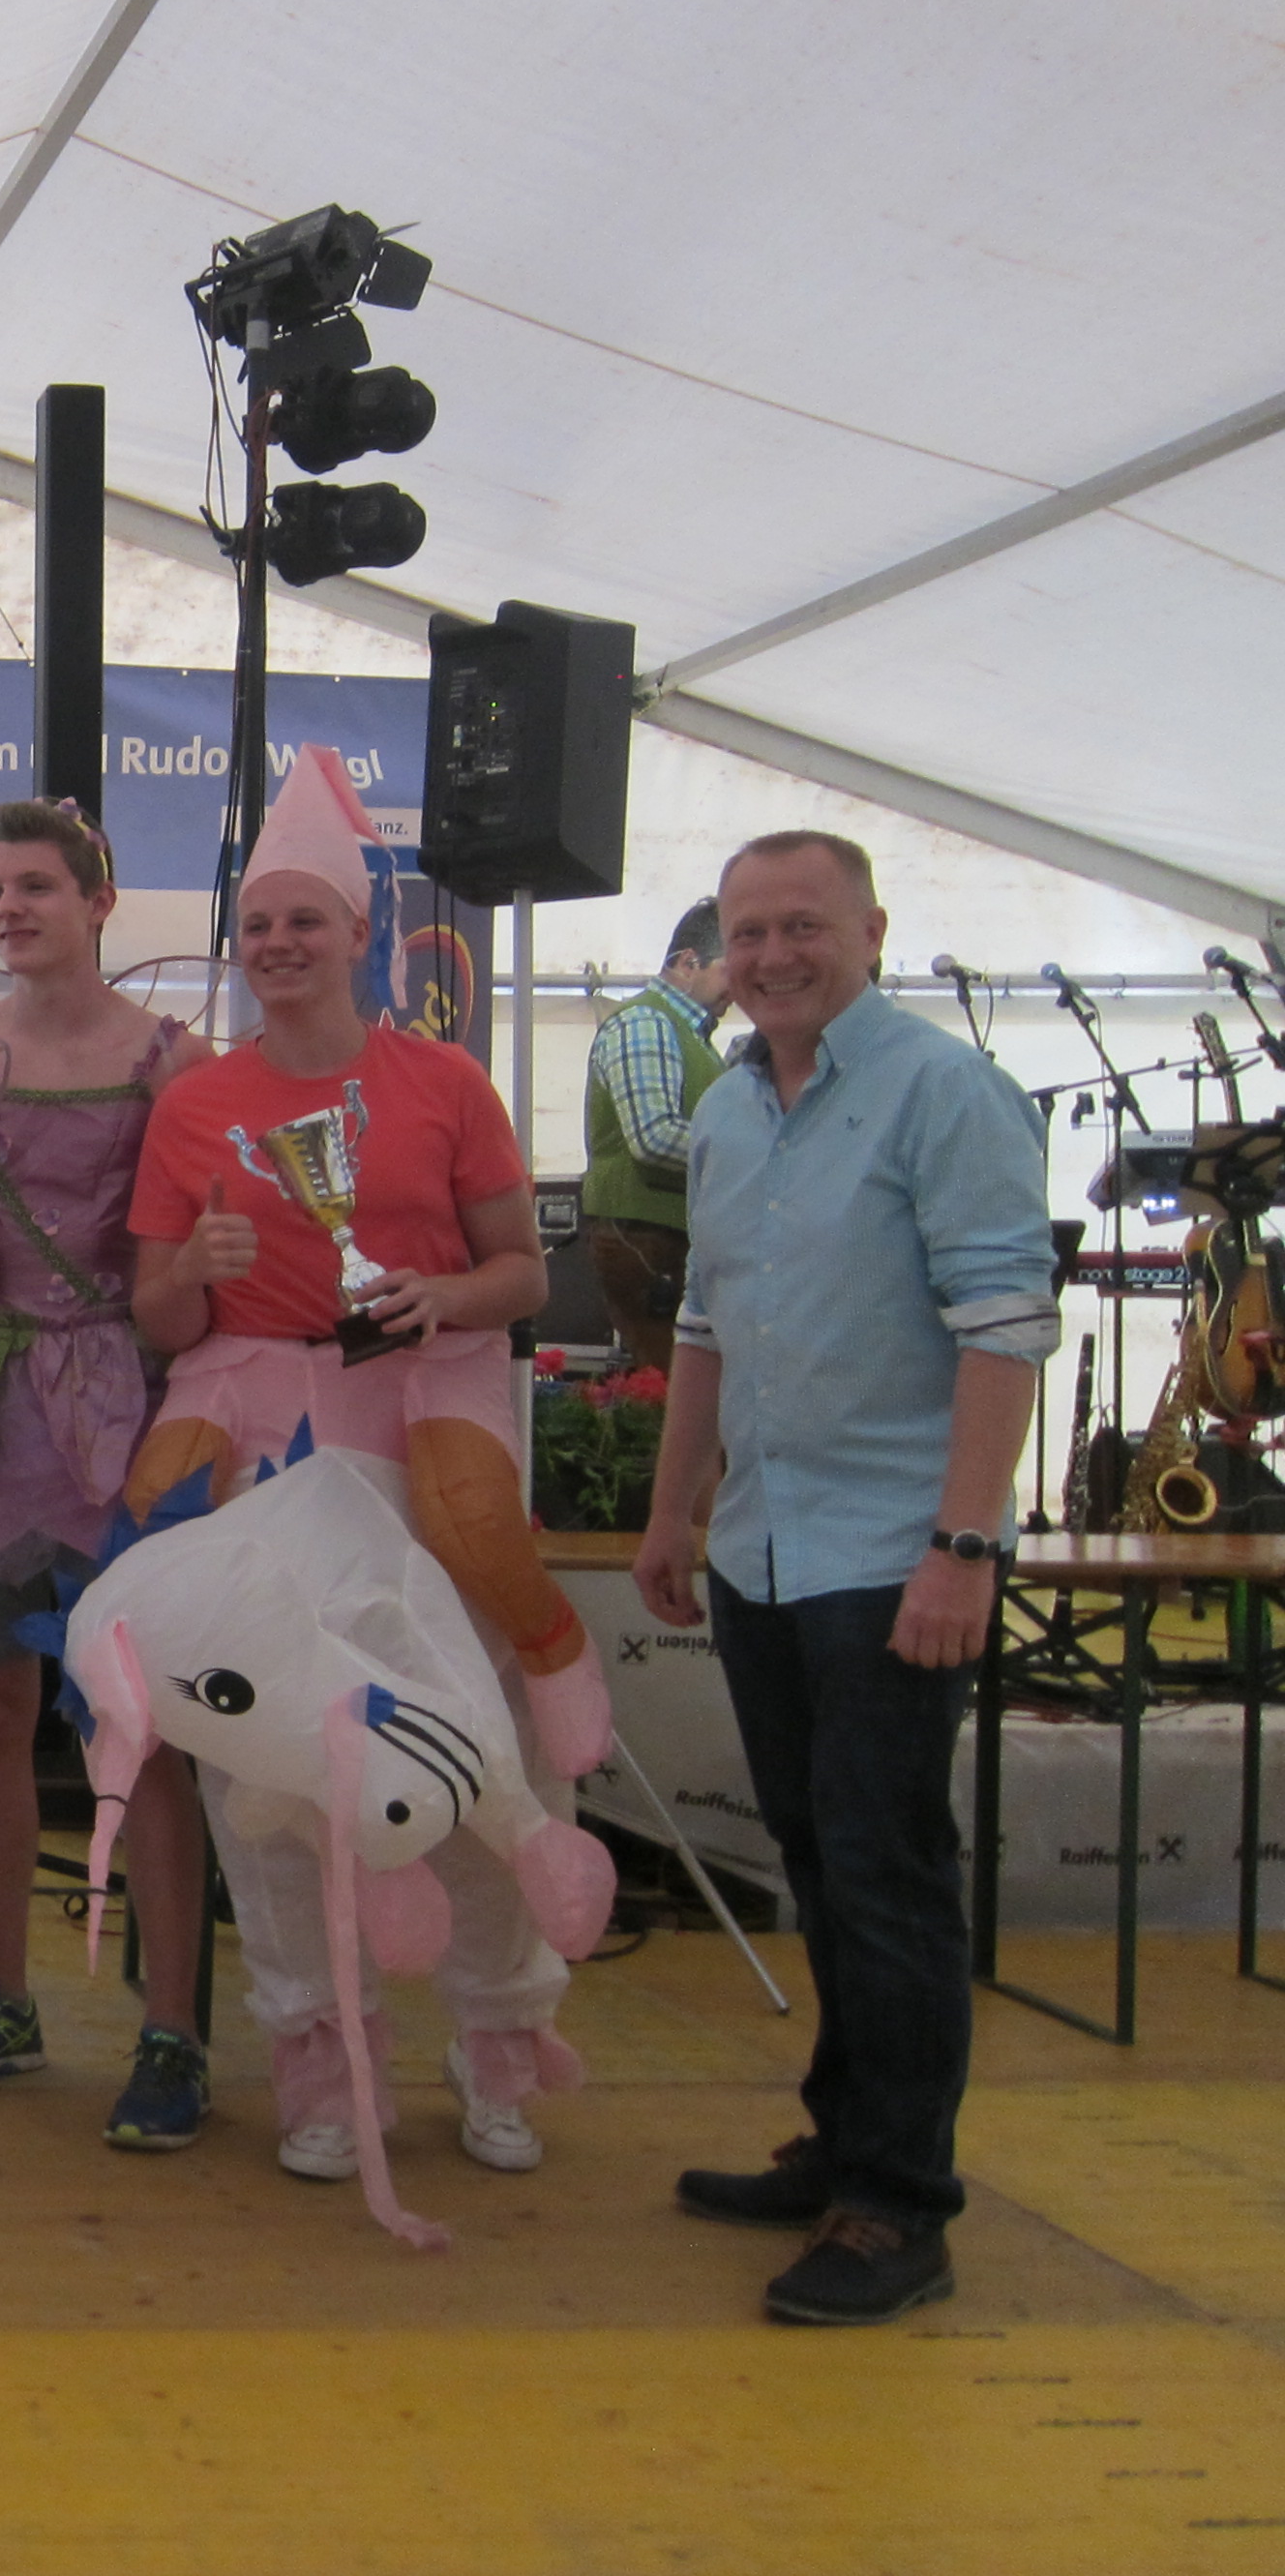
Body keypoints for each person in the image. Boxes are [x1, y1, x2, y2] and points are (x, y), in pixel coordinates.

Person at [128, 752, 605, 2183]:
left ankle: (499, 2035)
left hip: (421, 1426)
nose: (279, 945)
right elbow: (155, 1316)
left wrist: (440, 1298)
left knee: (470, 1732)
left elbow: (525, 1273)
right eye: (258, 925)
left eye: (304, 922)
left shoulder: (443, 1081)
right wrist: (193, 1271)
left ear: (358, 933)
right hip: (263, 1447)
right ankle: (320, 2058)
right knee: (269, 1760)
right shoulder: (194, 1105)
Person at [639, 830, 1054, 2326]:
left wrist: (962, 1546)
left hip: (892, 1557)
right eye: (749, 932)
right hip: (762, 1552)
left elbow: (1005, 1329)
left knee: (888, 1878)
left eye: (802, 926)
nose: (772, 956)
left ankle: (899, 2206)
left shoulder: (948, 1094)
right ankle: (842, 2140)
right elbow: (703, 1325)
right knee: (817, 1861)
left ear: (872, 930)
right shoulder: (728, 1112)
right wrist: (675, 1511)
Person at [0, 799, 214, 2142]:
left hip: (131, 1410)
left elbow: (194, 1262)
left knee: (146, 1723)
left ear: (99, 900)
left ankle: (173, 2029)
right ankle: (5, 1998)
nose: (10, 908)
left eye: (33, 885)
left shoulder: (172, 1060)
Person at [581, 900, 730, 1372]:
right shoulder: (646, 1022)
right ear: (688, 963)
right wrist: (755, 1153)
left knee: (687, 1383)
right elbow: (654, 1136)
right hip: (646, 1240)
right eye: (732, 969)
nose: (742, 985)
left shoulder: (687, 1033)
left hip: (666, 1238)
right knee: (674, 1384)